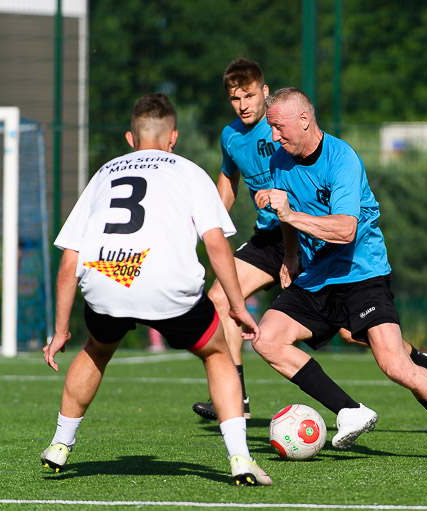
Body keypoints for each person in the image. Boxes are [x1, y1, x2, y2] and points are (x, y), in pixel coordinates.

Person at [192, 58, 427, 422]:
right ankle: (235, 395)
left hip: (309, 232)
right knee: (220, 298)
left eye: (249, 96)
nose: (243, 105)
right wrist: (213, 223)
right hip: (272, 236)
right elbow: (228, 177)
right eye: (235, 99)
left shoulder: (283, 125)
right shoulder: (230, 137)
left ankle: (421, 361)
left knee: (352, 333)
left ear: (265, 93)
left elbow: (321, 175)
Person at [39, 93, 271, 486]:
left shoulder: (104, 173)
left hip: (108, 278)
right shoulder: (190, 171)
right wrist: (238, 305)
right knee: (217, 353)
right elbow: (216, 244)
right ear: (173, 137)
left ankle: (60, 445)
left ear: (131, 139)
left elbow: (69, 262)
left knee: (96, 349)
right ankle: (240, 458)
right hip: (167, 284)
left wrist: (61, 330)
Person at [252, 87, 427, 461]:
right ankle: (350, 411)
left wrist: (290, 215)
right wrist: (292, 256)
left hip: (361, 273)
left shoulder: (342, 159)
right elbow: (287, 214)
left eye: (279, 127)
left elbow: (345, 229)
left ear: (304, 119)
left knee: (395, 365)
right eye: (271, 127)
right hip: (317, 277)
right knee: (267, 338)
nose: (274, 136)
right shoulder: (280, 161)